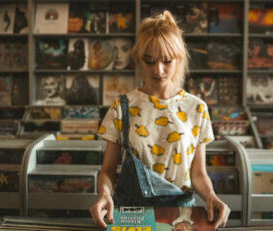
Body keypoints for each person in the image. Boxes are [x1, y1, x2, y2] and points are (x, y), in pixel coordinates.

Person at [89, 11, 230, 229]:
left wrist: (211, 196)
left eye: (166, 61)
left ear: (179, 58)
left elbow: (198, 174)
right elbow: (108, 170)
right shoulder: (123, 106)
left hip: (180, 217)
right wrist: (104, 195)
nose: (158, 70)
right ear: (139, 60)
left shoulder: (197, 108)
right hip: (132, 215)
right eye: (149, 61)